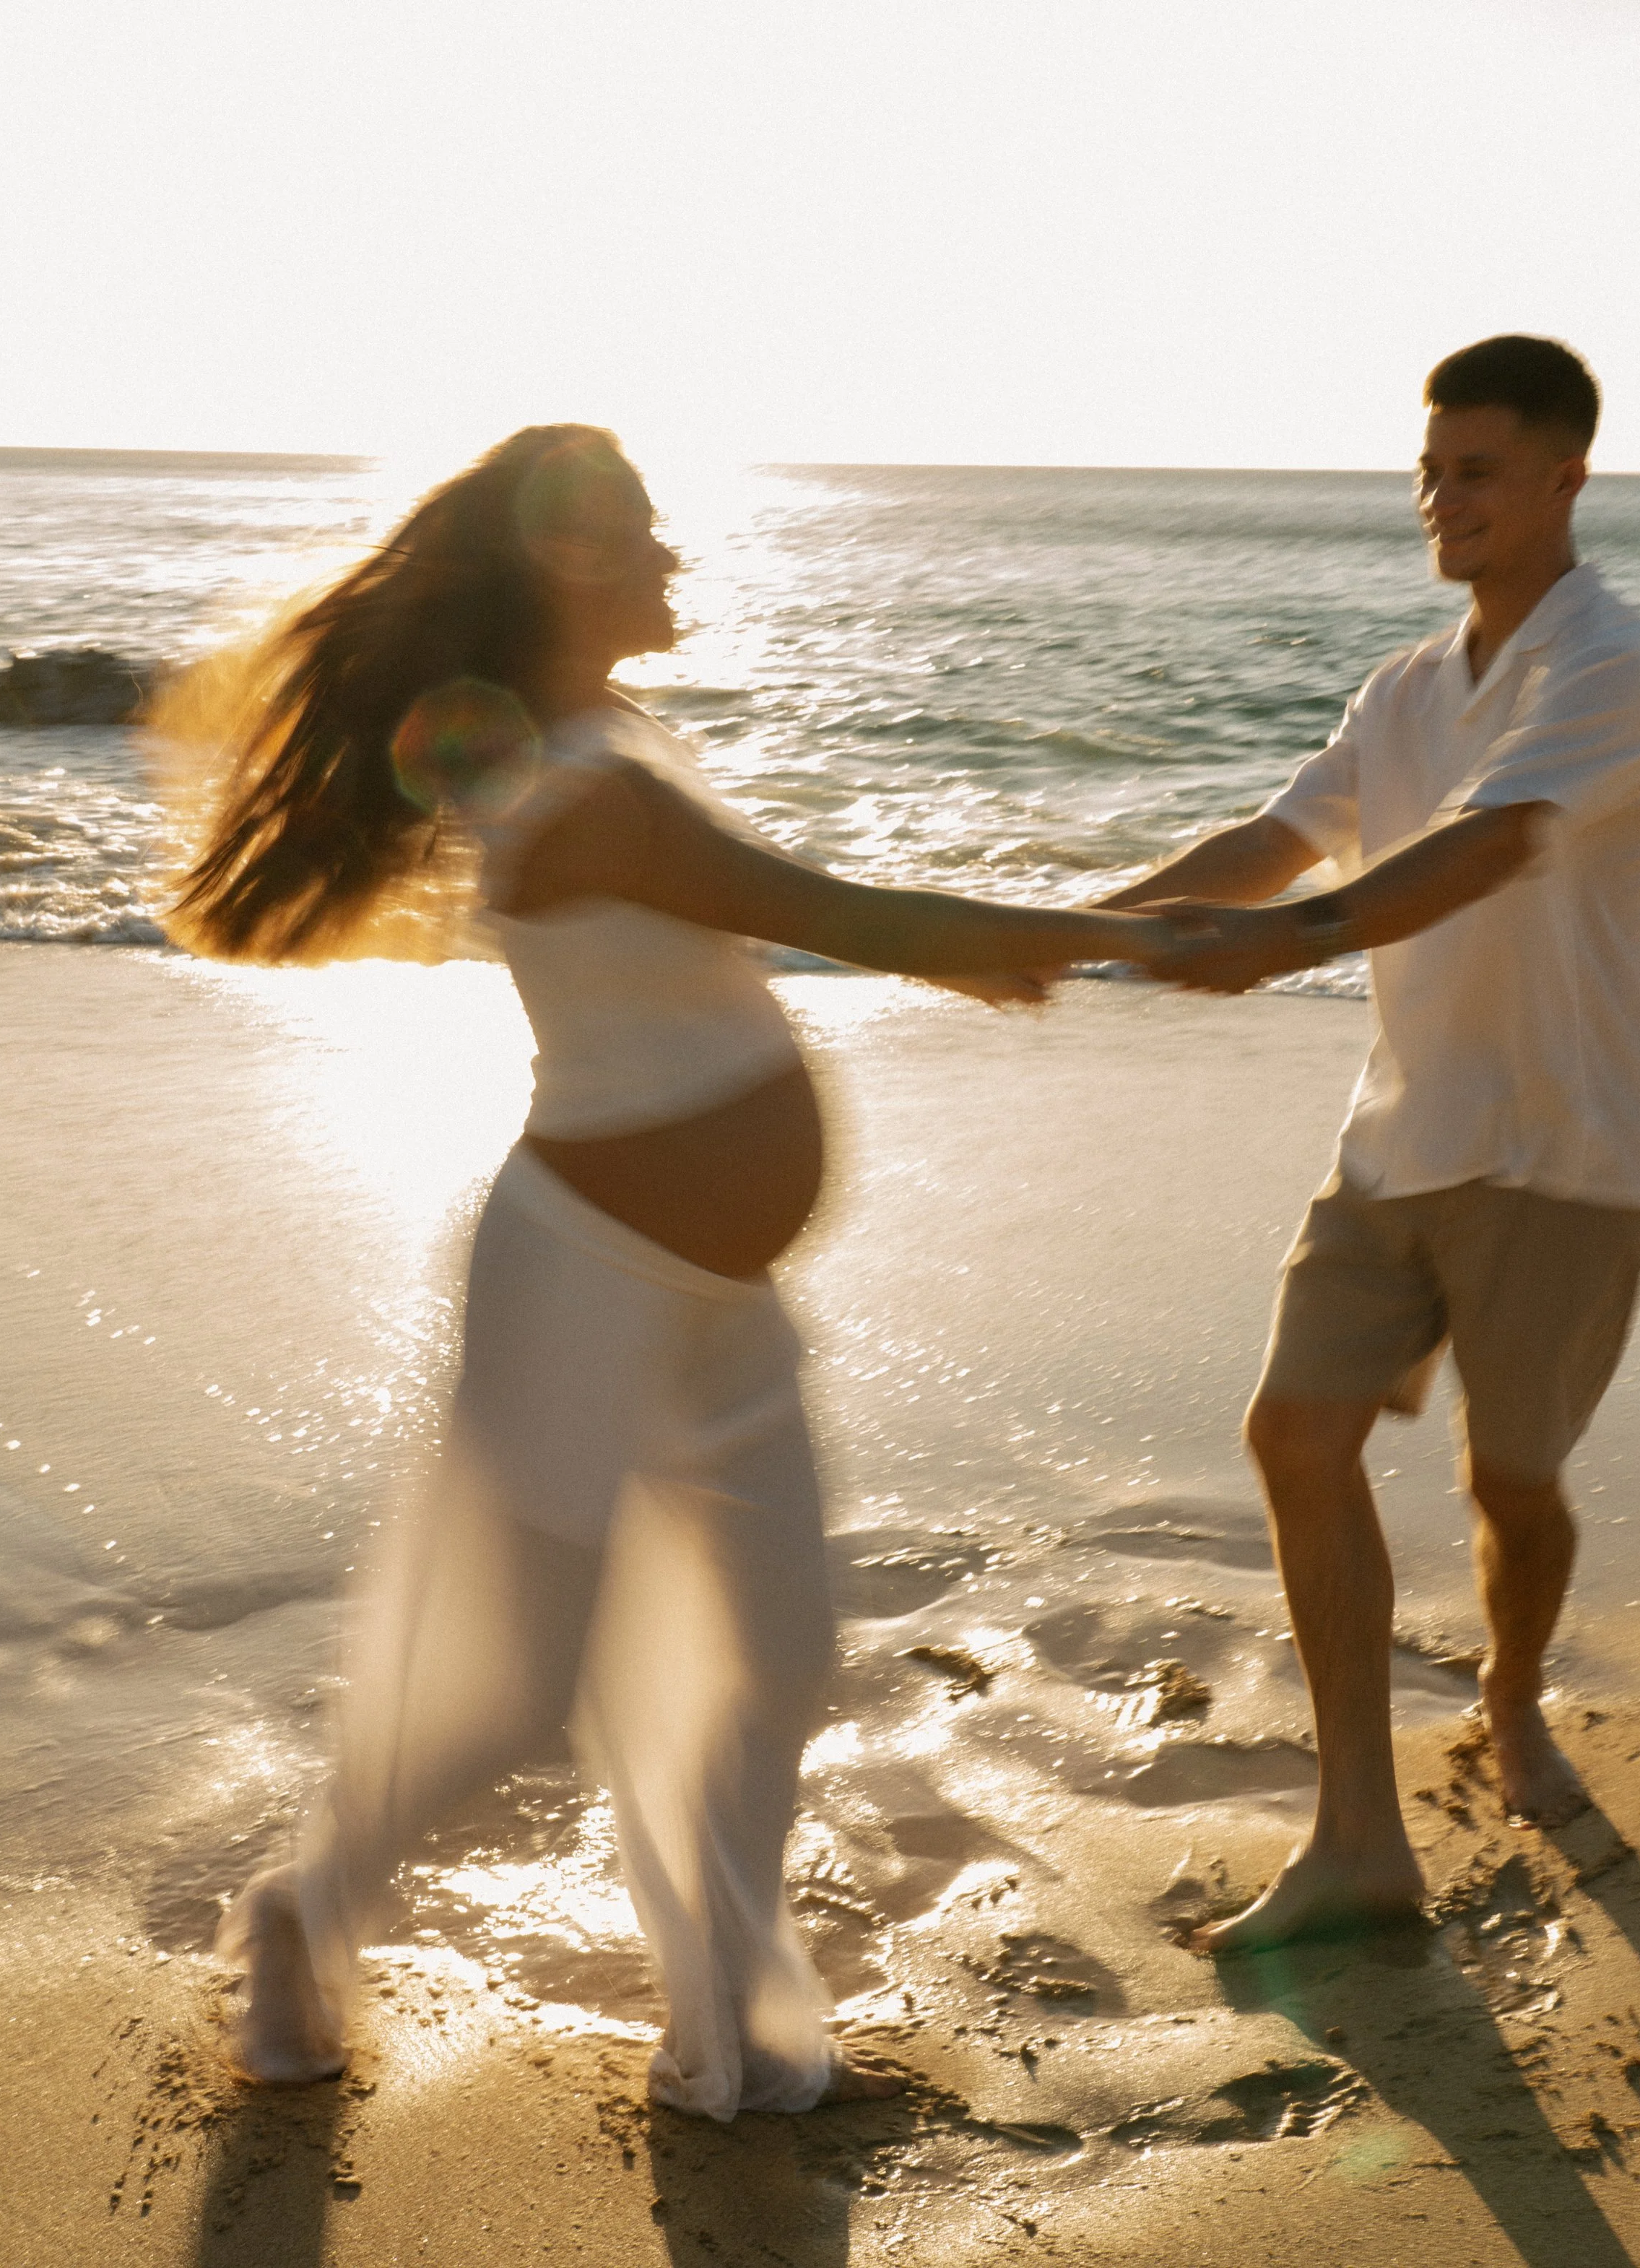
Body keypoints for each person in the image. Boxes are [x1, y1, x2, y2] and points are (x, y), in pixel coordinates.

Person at [170, 423, 1192, 2111]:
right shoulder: (589, 795)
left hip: (715, 1303)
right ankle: (300, 1914)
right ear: (570, 554)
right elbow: (855, 916)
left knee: (776, 1652)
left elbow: (829, 930)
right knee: (503, 1689)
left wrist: (1066, 938)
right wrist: (1153, 935)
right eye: (646, 533)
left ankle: (727, 2043)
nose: (675, 560)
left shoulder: (615, 742)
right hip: (580, 1282)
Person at [1110, 336, 1640, 1950]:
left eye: (1479, 470)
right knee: (1295, 1434)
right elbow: (1282, 835)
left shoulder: (1612, 672)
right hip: (1397, 1142)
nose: (1442, 499)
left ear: (1567, 475)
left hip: (1563, 1156)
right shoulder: (1401, 687)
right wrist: (1068, 921)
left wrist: (1287, 944)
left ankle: (1511, 1691)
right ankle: (1357, 1839)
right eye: (1429, 469)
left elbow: (1491, 843)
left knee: (1509, 1480)